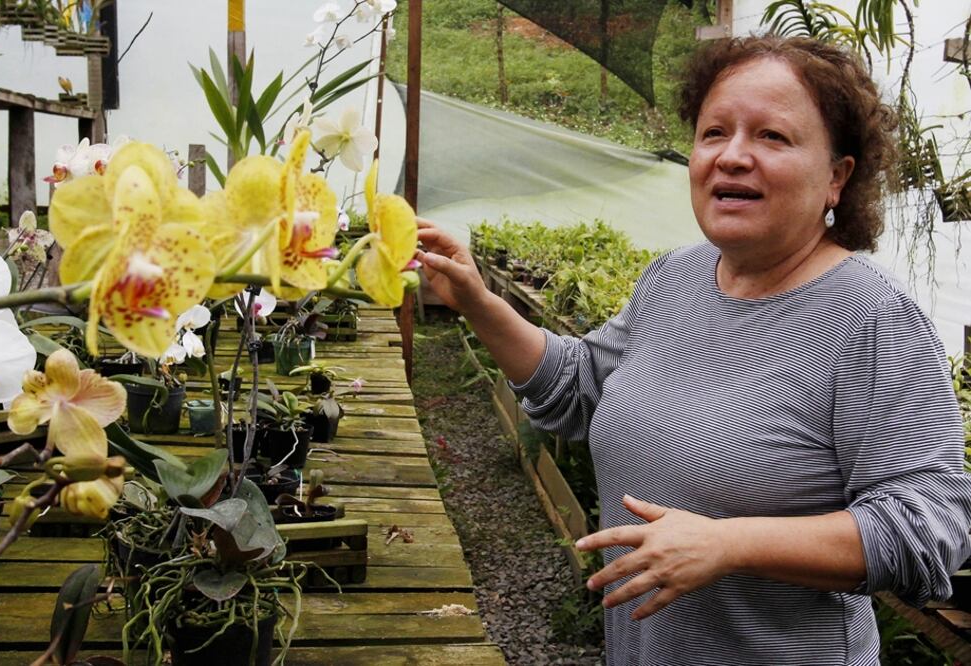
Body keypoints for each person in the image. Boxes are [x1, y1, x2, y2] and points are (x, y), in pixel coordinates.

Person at [415, 35, 971, 665]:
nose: (733, 157)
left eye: (772, 137)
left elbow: (930, 526)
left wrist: (729, 545)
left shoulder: (872, 319)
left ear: (837, 178)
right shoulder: (674, 276)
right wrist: (478, 300)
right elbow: (583, 387)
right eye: (714, 133)